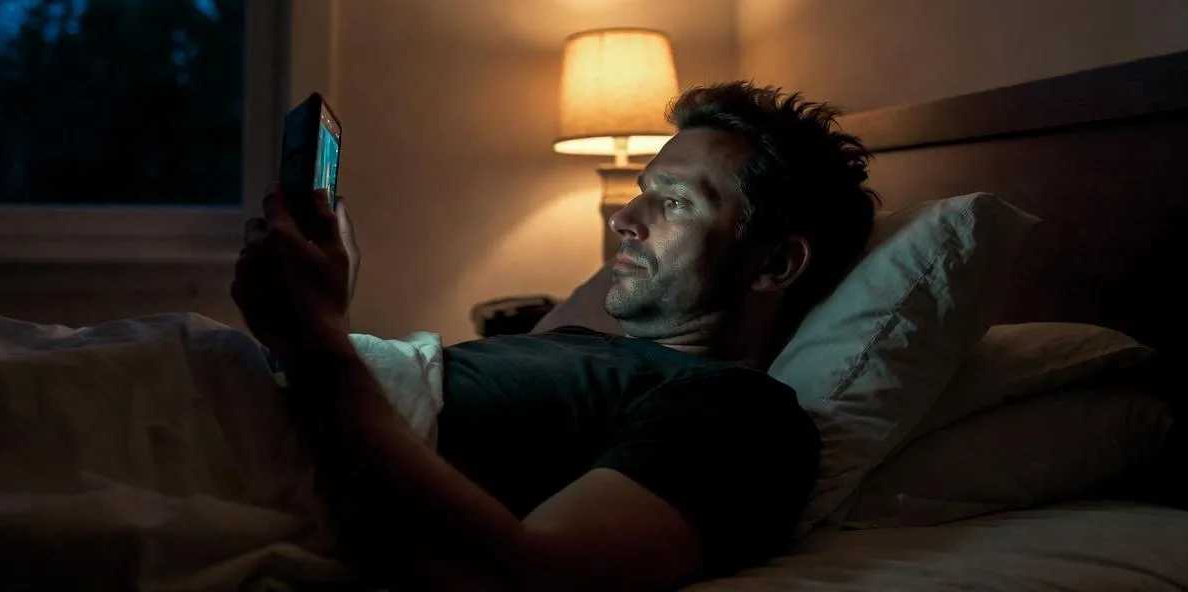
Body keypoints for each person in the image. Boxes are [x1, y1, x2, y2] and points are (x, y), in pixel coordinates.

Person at [232, 81, 878, 591]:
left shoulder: (740, 413)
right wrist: (325, 318)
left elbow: (526, 575)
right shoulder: (587, 348)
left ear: (776, 264)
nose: (624, 219)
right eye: (643, 192)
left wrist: (316, 342)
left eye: (676, 201)